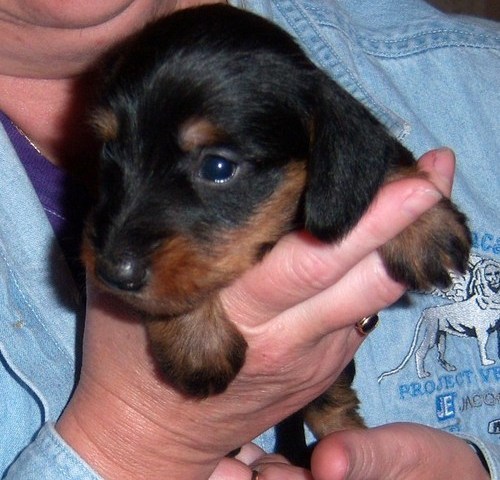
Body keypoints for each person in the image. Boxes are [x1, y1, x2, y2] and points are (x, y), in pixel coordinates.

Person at [0, 0, 497, 478]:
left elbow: (353, 150)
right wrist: (143, 437)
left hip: (327, 417)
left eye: (216, 167)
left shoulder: (473, 71)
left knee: (333, 419)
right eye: (115, 152)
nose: (118, 260)